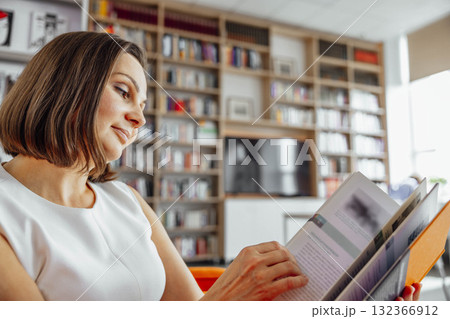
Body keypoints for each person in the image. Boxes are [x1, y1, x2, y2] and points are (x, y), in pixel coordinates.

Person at [0, 31, 420, 301]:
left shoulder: (125, 200)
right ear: (67, 86)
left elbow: (194, 309)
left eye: (143, 105)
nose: (140, 119)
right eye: (123, 92)